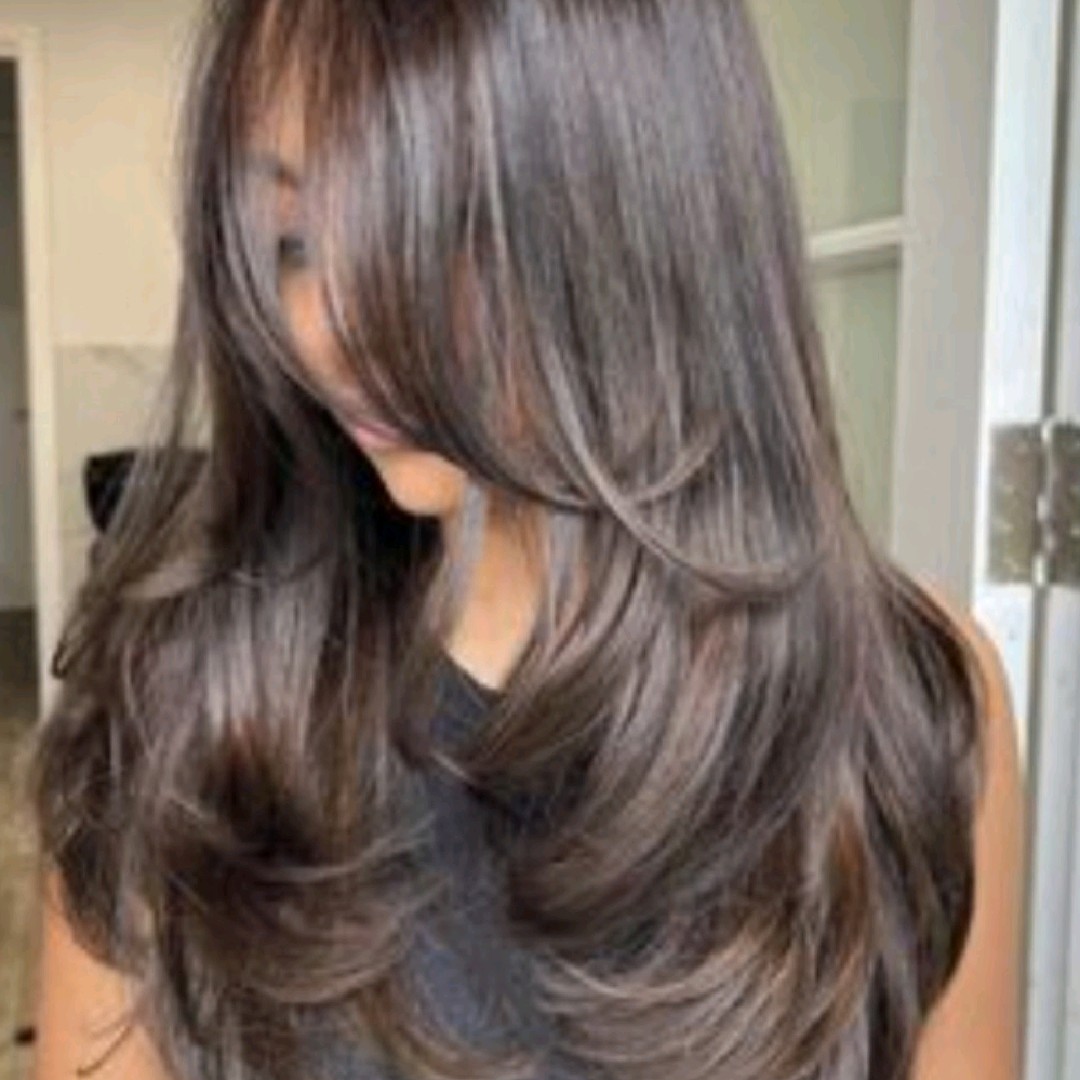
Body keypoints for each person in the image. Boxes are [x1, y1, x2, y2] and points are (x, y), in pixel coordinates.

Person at [30, 1, 1024, 1078]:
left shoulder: (908, 712)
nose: (328, 327)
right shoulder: (179, 710)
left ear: (653, 200)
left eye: (439, 229)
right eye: (296, 241)